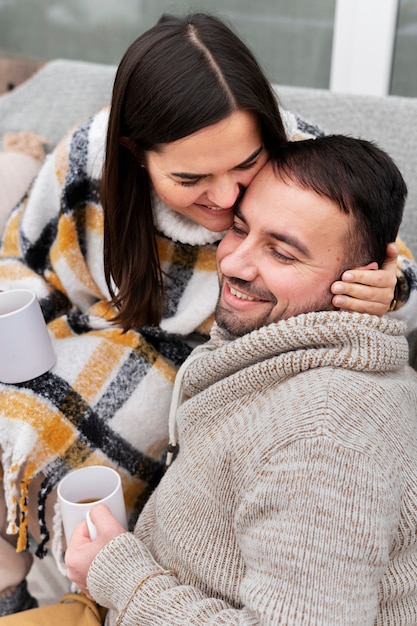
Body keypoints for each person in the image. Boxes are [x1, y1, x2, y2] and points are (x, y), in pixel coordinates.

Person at [0, 11, 415, 616]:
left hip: (225, 359)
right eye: (191, 177)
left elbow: (378, 256)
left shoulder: (301, 160)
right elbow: (22, 256)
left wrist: (391, 288)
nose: (224, 199)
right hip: (104, 331)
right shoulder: (88, 159)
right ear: (135, 155)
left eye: (244, 166)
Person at [58, 134, 417, 625]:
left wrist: (122, 575)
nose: (232, 263)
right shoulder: (283, 342)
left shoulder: (325, 438)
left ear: (361, 277)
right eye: (240, 229)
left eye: (283, 254)